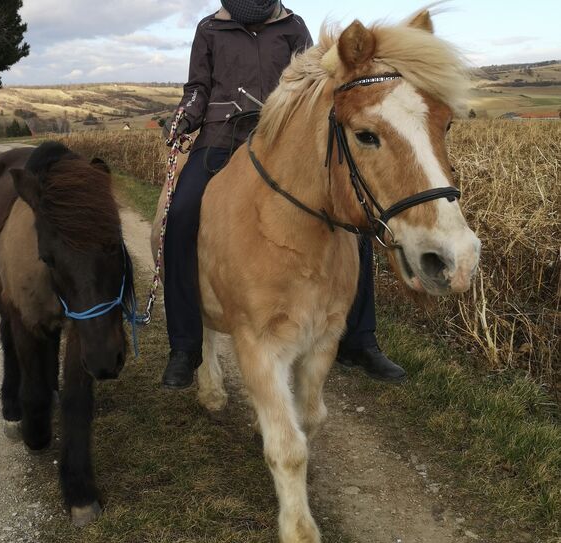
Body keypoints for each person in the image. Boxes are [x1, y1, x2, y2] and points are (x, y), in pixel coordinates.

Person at [162, 0, 406, 389]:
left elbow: (315, 80)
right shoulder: (210, 29)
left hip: (280, 140)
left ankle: (359, 341)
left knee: (353, 217)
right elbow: (198, 88)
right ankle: (185, 345)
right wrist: (184, 117)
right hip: (221, 137)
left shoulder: (293, 25)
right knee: (181, 215)